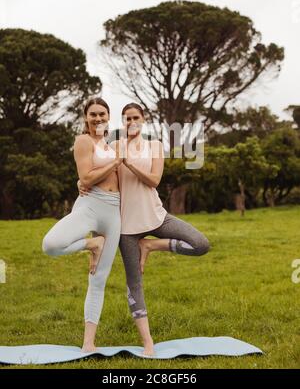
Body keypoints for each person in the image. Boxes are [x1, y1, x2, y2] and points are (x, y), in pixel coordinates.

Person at [79, 102, 210, 356]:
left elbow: (154, 180)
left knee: (201, 243)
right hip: (127, 228)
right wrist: (79, 182)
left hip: (157, 216)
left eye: (136, 117)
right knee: (134, 284)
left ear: (144, 119)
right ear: (122, 121)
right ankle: (147, 342)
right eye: (126, 118)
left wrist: (127, 163)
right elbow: (94, 173)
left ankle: (151, 245)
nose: (131, 122)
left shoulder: (155, 146)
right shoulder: (114, 146)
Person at [42, 97, 122, 352]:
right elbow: (86, 178)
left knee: (98, 280)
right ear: (86, 117)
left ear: (109, 116)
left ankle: (89, 343)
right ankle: (92, 244)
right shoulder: (83, 141)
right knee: (51, 245)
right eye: (93, 114)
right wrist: (114, 163)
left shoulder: (111, 145)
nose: (98, 118)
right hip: (90, 206)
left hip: (113, 212)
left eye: (102, 114)